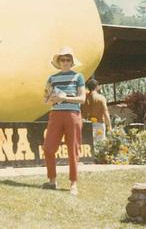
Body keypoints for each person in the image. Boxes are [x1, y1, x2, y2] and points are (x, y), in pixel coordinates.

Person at [42, 47, 86, 195]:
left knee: (73, 149)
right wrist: (50, 97)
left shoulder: (78, 77)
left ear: (72, 62)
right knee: (48, 147)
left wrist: (64, 98)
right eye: (63, 59)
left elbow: (82, 99)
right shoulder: (52, 78)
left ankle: (73, 183)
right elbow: (45, 99)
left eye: (68, 59)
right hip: (56, 115)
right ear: (58, 62)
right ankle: (52, 180)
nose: (65, 62)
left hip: (73, 114)